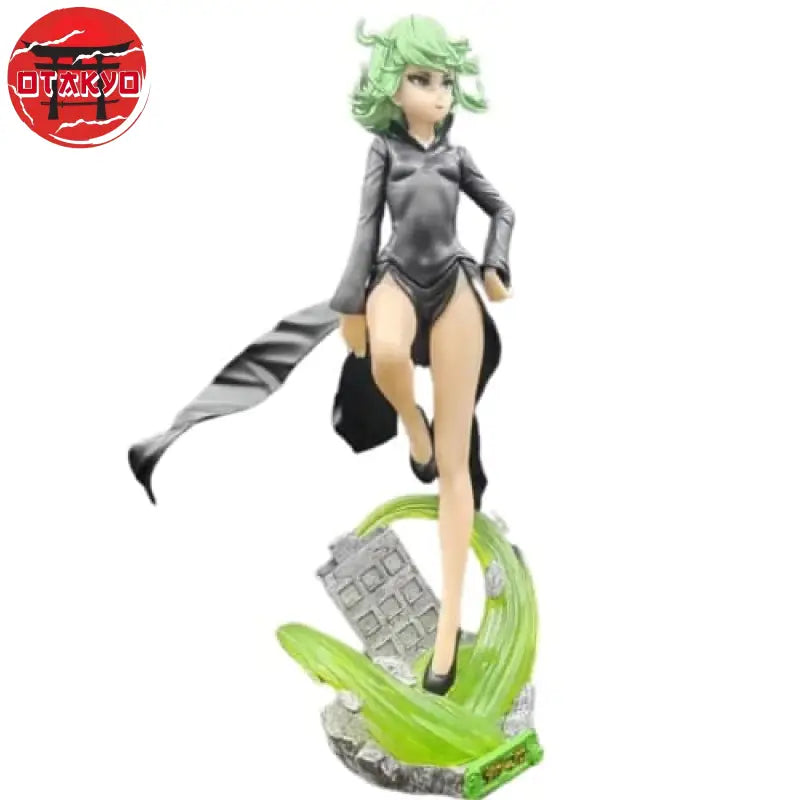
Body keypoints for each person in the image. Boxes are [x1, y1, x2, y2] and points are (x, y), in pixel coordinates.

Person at [128, 15, 515, 696]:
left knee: (455, 467)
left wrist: (495, 265)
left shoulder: (457, 158)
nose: (439, 93)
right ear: (394, 87)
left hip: (454, 283)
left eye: (445, 81)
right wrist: (350, 302)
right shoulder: (383, 152)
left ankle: (448, 631)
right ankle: (413, 427)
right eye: (423, 79)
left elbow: (503, 209)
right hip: (395, 279)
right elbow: (366, 227)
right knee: (387, 355)